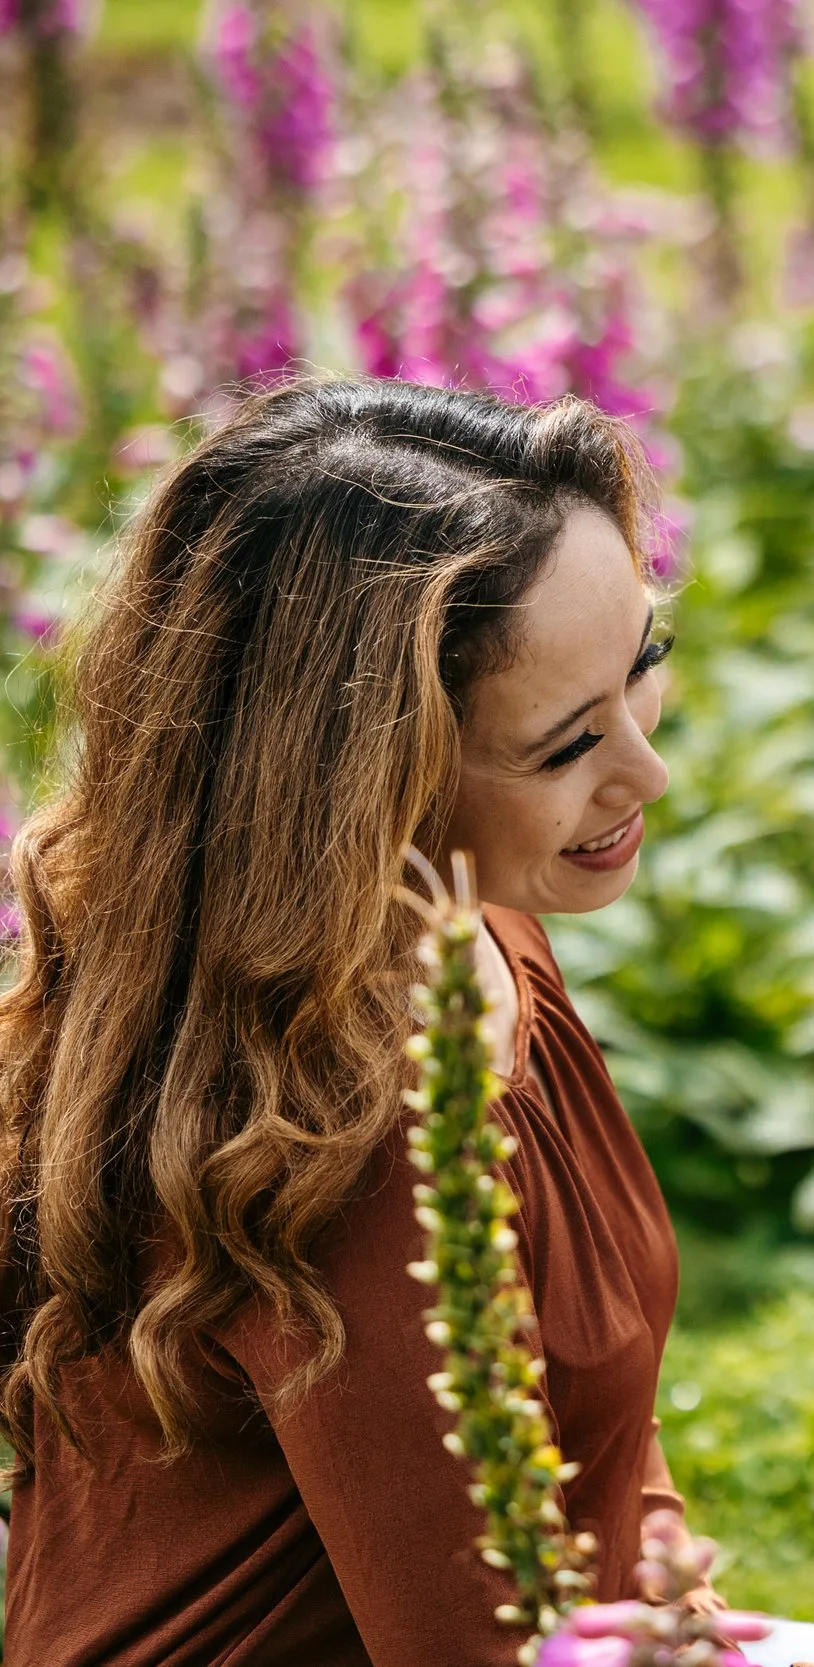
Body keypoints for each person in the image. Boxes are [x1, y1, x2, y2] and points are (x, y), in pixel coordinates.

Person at [0, 379, 699, 1665]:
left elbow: (594, 1435)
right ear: (376, 785)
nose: (647, 771)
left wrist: (678, 1601)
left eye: (643, 662)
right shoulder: (343, 1133)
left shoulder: (467, 920)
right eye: (561, 745)